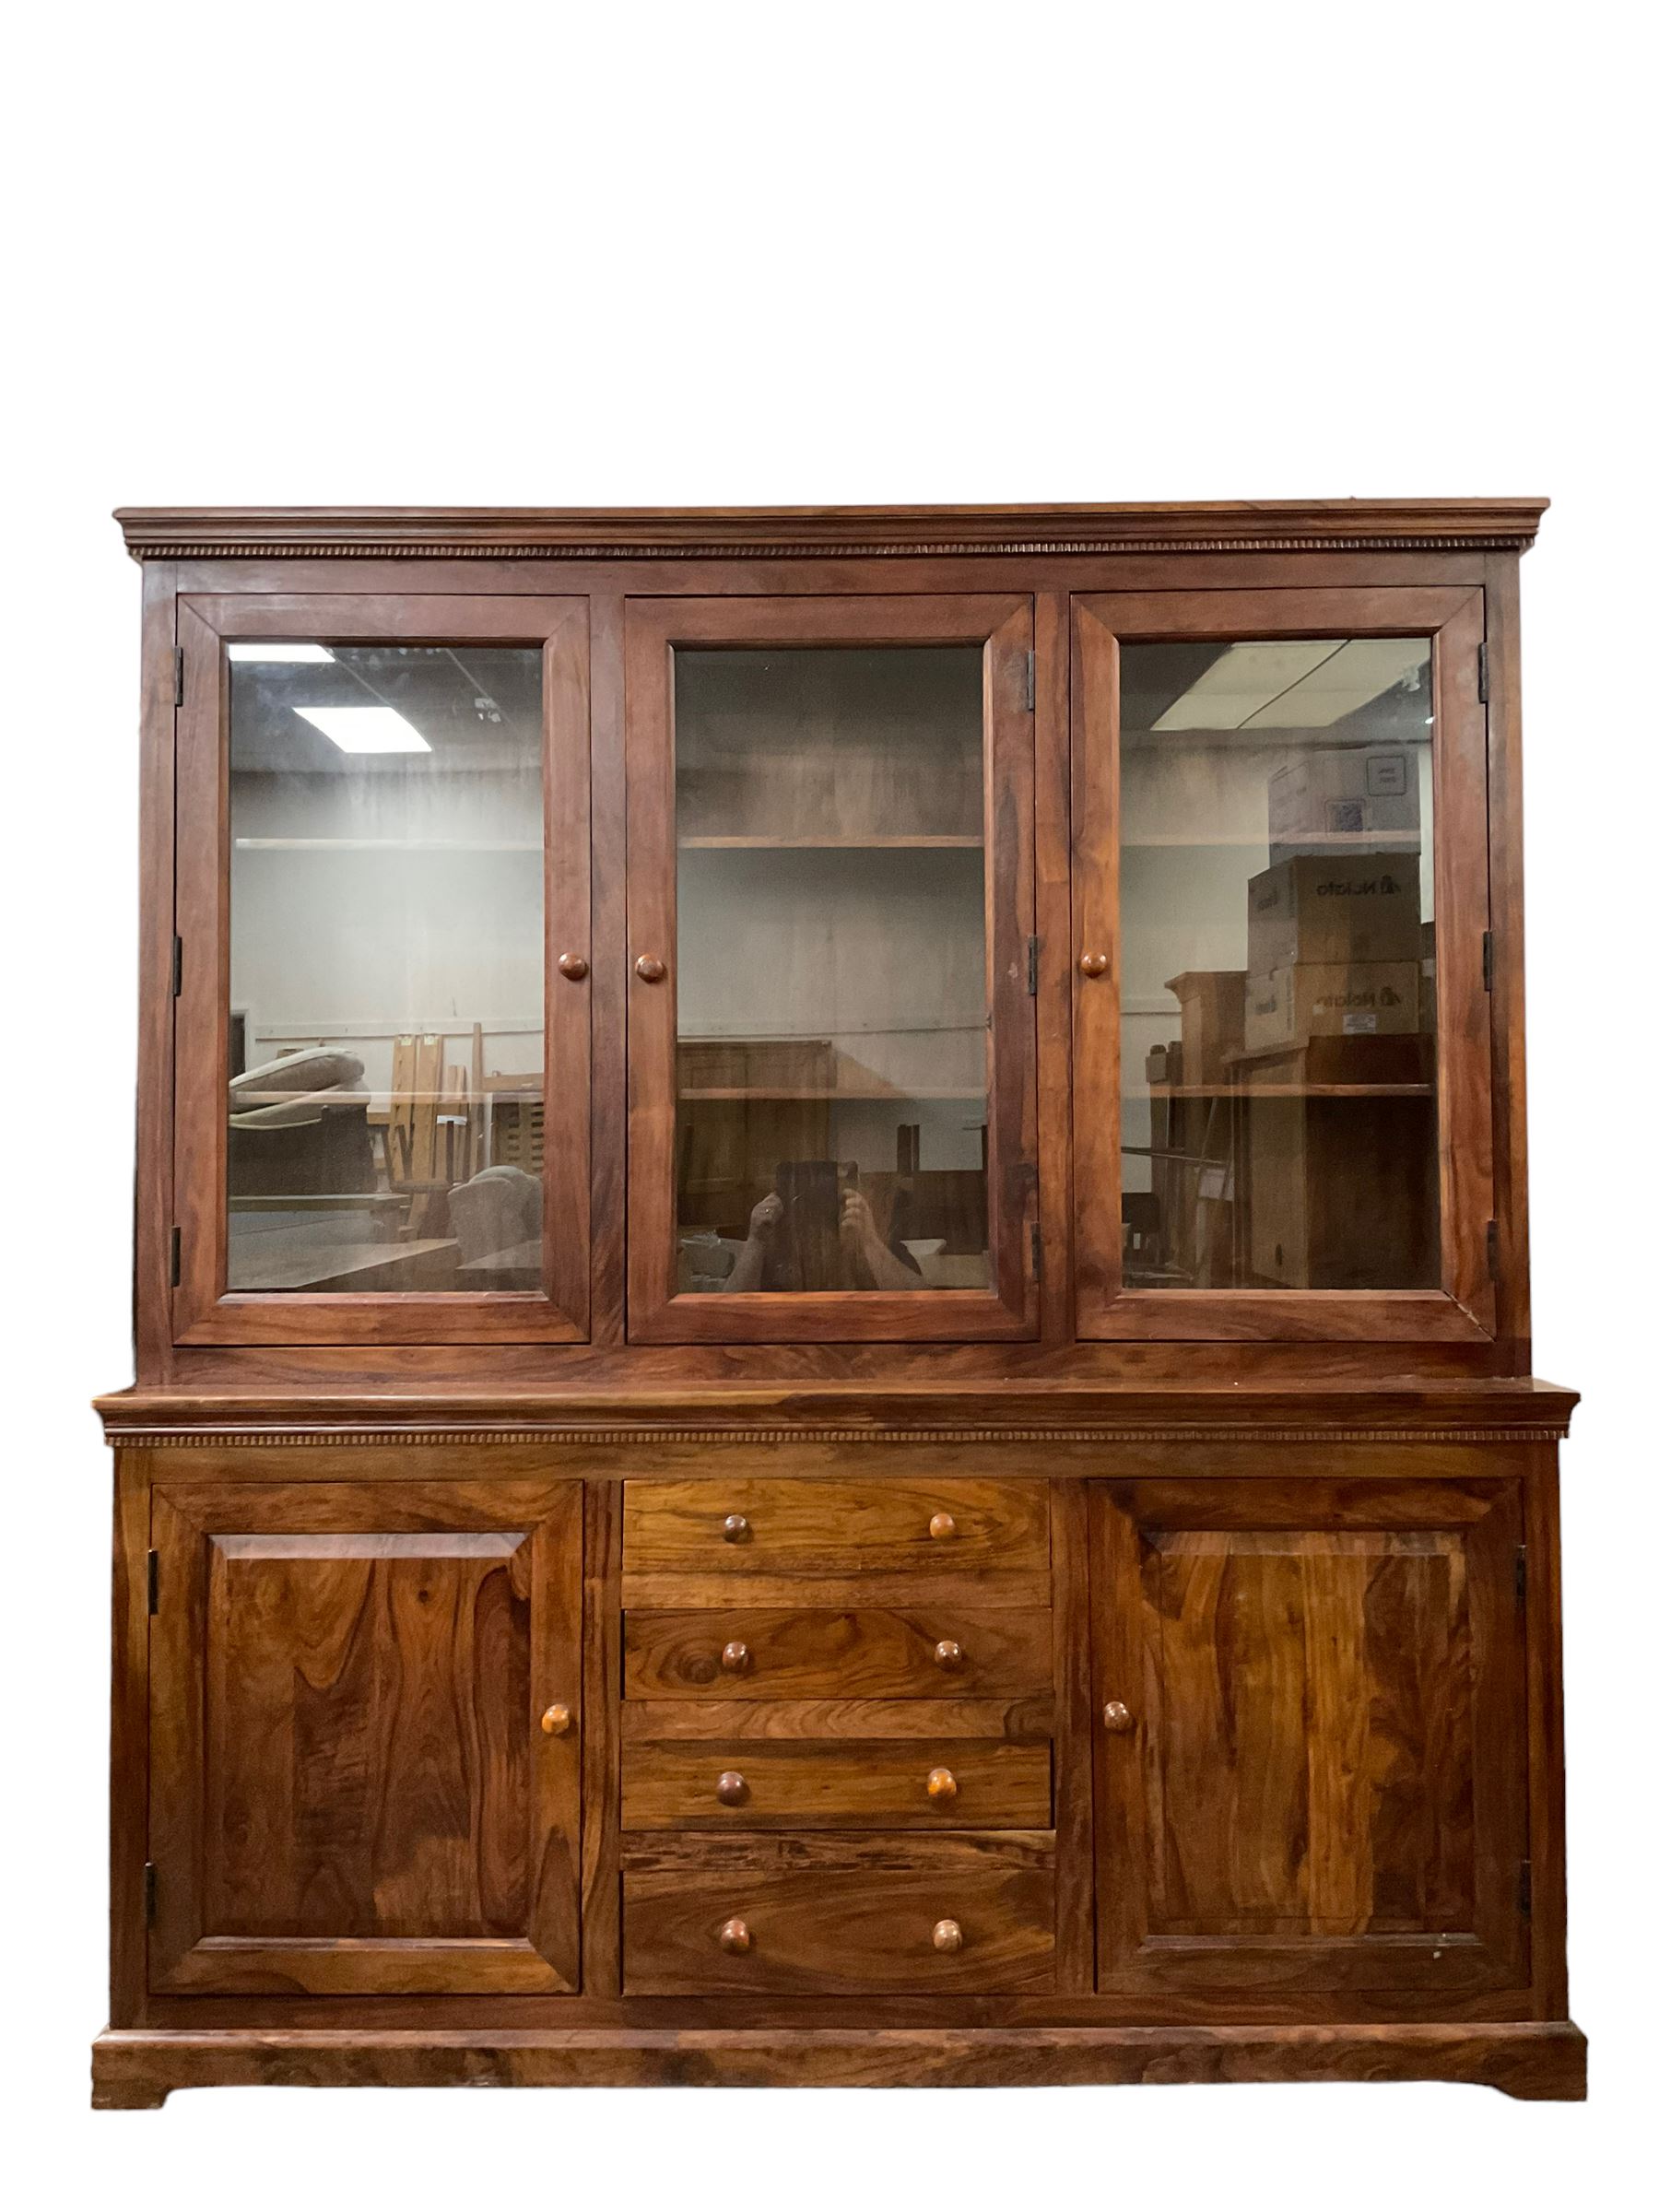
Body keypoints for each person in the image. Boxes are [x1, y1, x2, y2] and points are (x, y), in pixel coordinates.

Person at [724, 1180, 922, 1292]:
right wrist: (756, 1240)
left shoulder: (869, 1240)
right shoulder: (774, 1245)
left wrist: (869, 1241)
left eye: (829, 1190)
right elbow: (726, 1315)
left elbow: (923, 1302)